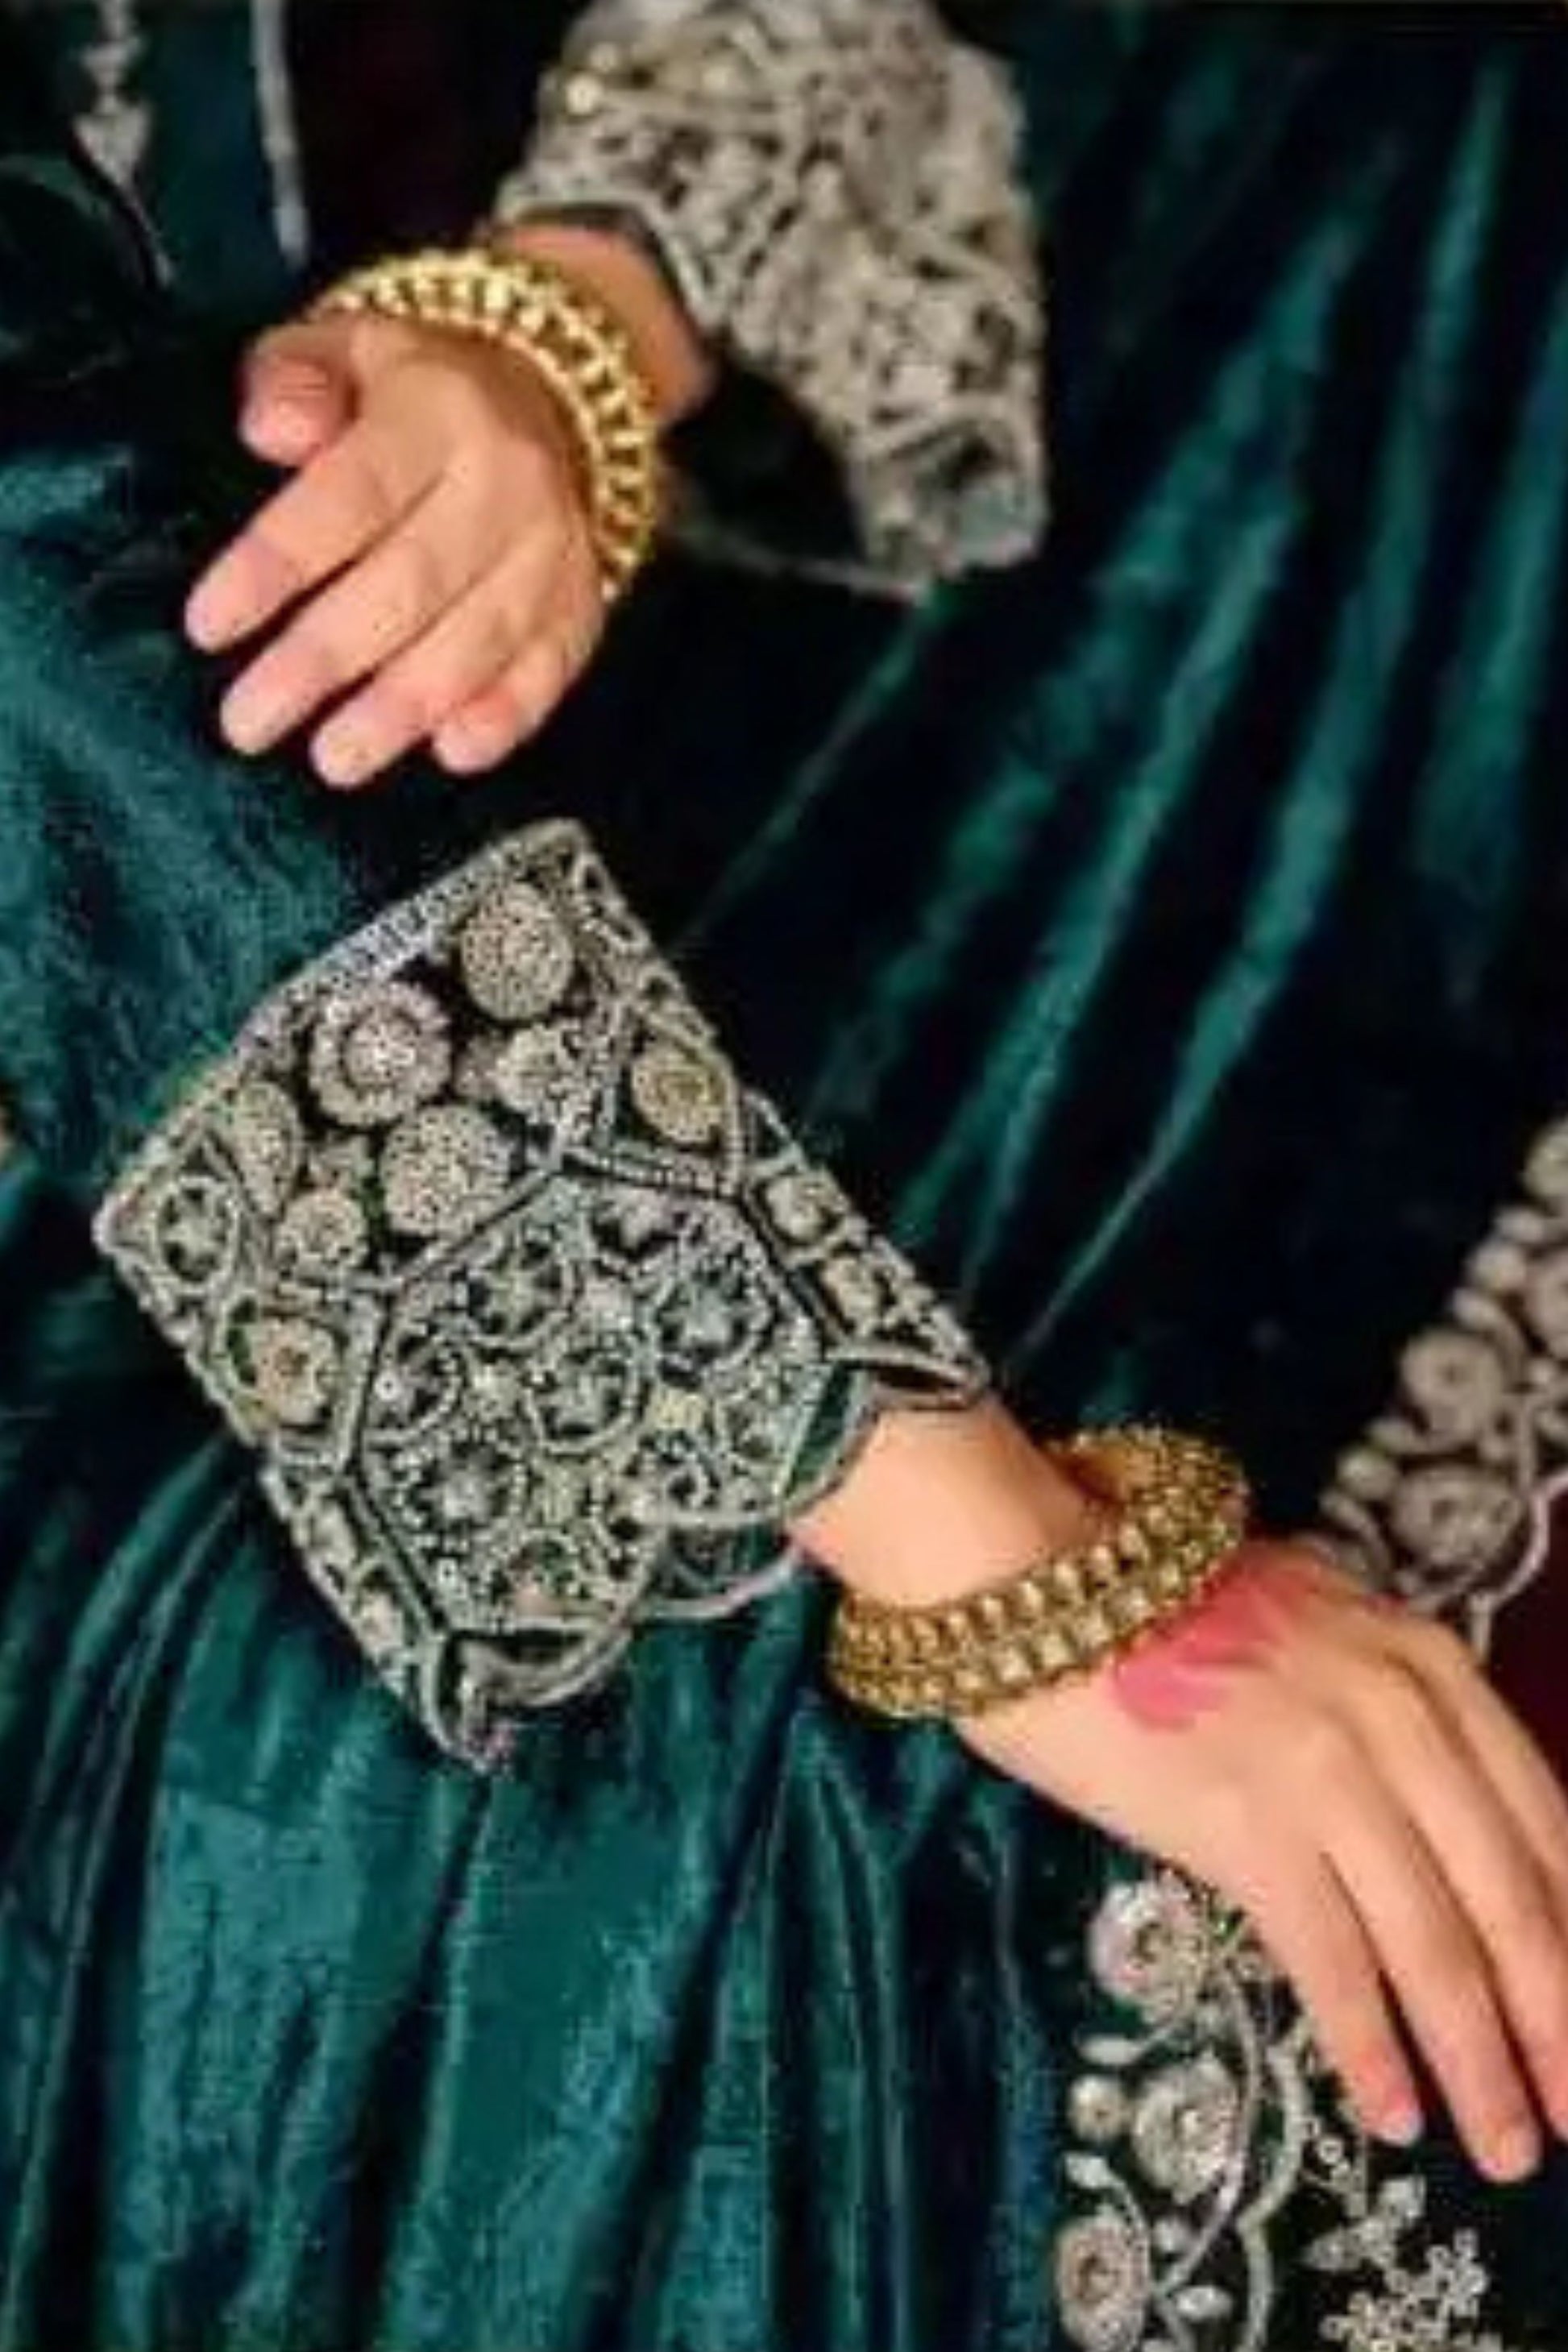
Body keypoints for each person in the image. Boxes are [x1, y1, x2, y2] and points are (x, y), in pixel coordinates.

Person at [6, 6, 1568, 2348]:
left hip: (621, 512)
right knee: (799, 1831)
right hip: (130, 882)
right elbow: (56, 646)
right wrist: (1014, 1572)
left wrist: (574, 320)